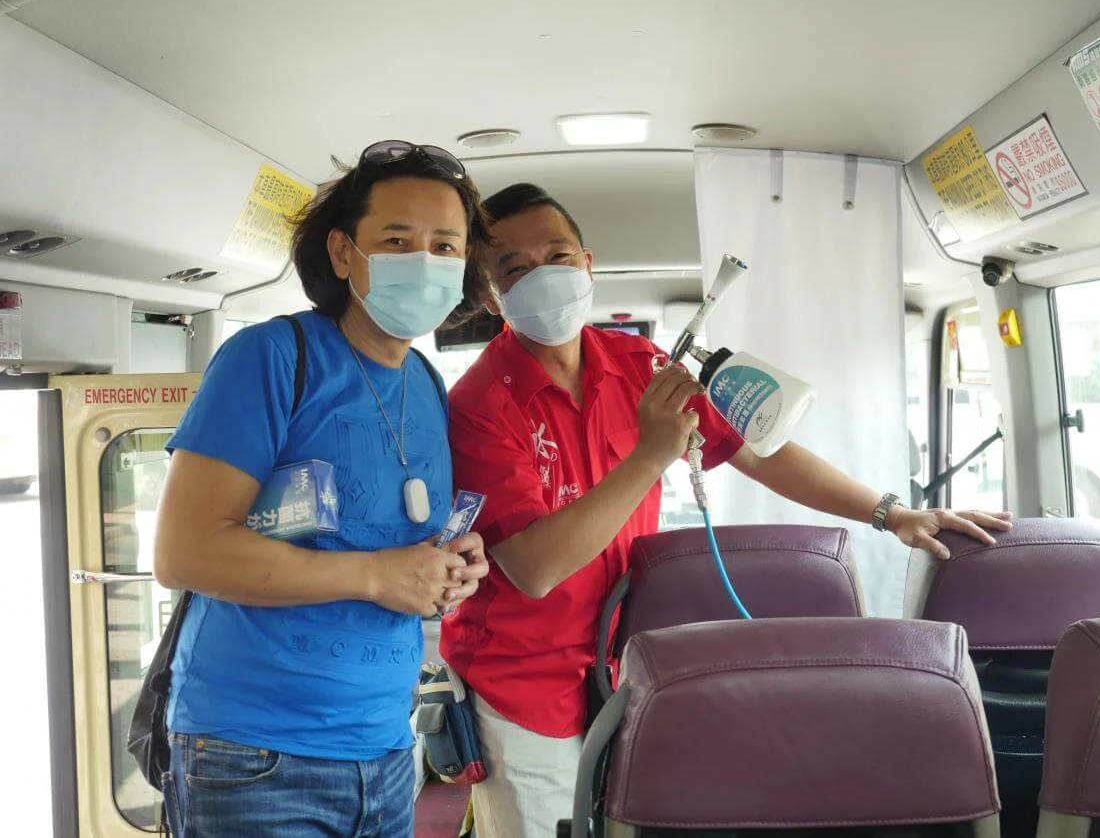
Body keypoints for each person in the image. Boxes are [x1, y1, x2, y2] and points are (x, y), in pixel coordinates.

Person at [439, 182, 1013, 838]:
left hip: (622, 658)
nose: (543, 275)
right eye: (514, 267)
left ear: (588, 264)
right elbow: (536, 568)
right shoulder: (478, 405)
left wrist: (892, 513)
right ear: (491, 296)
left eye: (559, 256)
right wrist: (650, 456)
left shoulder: (639, 366)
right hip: (520, 678)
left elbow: (760, 454)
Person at [153, 141, 490, 838]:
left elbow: (395, 542)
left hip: (385, 744)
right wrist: (374, 575)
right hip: (253, 751)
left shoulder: (428, 384)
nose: (424, 262)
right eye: (397, 241)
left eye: (444, 246)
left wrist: (450, 564)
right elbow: (185, 553)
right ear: (343, 253)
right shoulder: (273, 357)